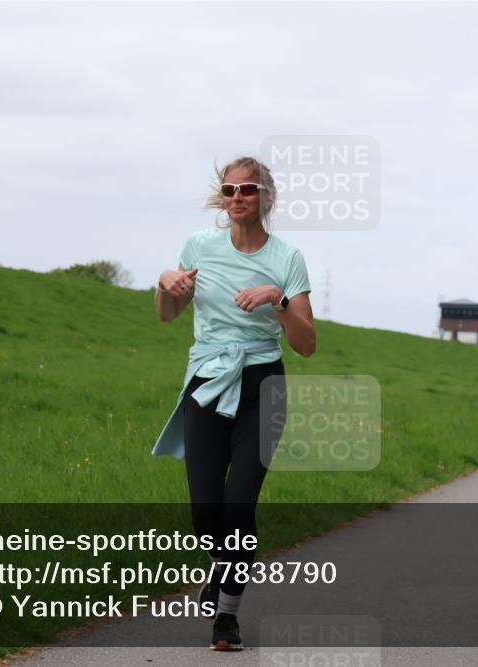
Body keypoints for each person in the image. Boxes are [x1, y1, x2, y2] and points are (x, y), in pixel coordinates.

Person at [153, 156, 316, 651]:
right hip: (208, 381)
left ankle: (226, 616)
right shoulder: (199, 246)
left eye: (248, 189)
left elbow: (307, 344)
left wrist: (278, 300)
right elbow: (168, 314)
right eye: (230, 190)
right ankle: (220, 566)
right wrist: (165, 284)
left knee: (239, 506)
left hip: (263, 385)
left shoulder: (287, 258)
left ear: (266, 196)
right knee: (206, 511)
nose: (238, 197)